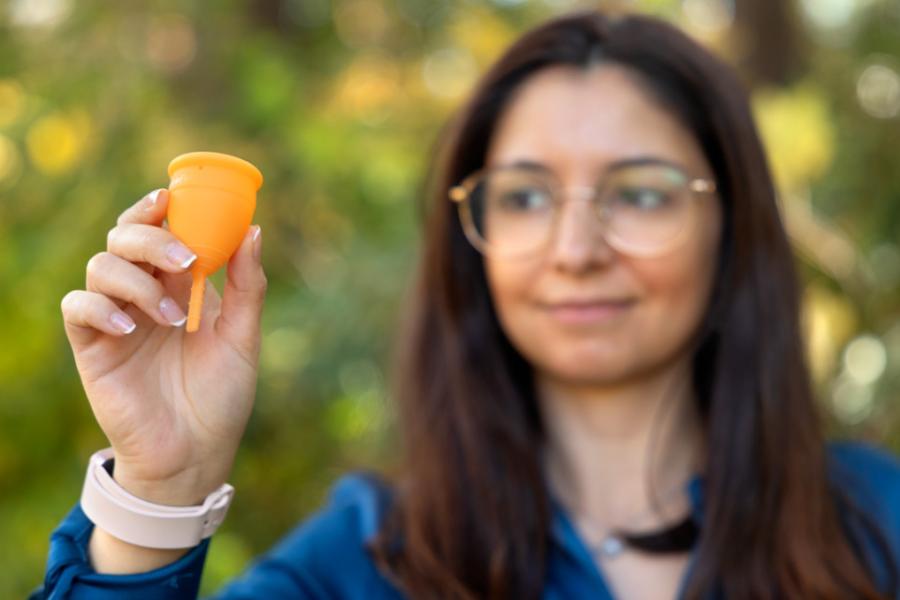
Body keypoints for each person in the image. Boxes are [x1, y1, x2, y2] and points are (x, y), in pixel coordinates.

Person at [33, 9, 900, 600]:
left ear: (732, 224)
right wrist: (161, 487)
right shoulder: (364, 565)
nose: (575, 249)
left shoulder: (878, 522)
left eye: (640, 194)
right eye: (523, 197)